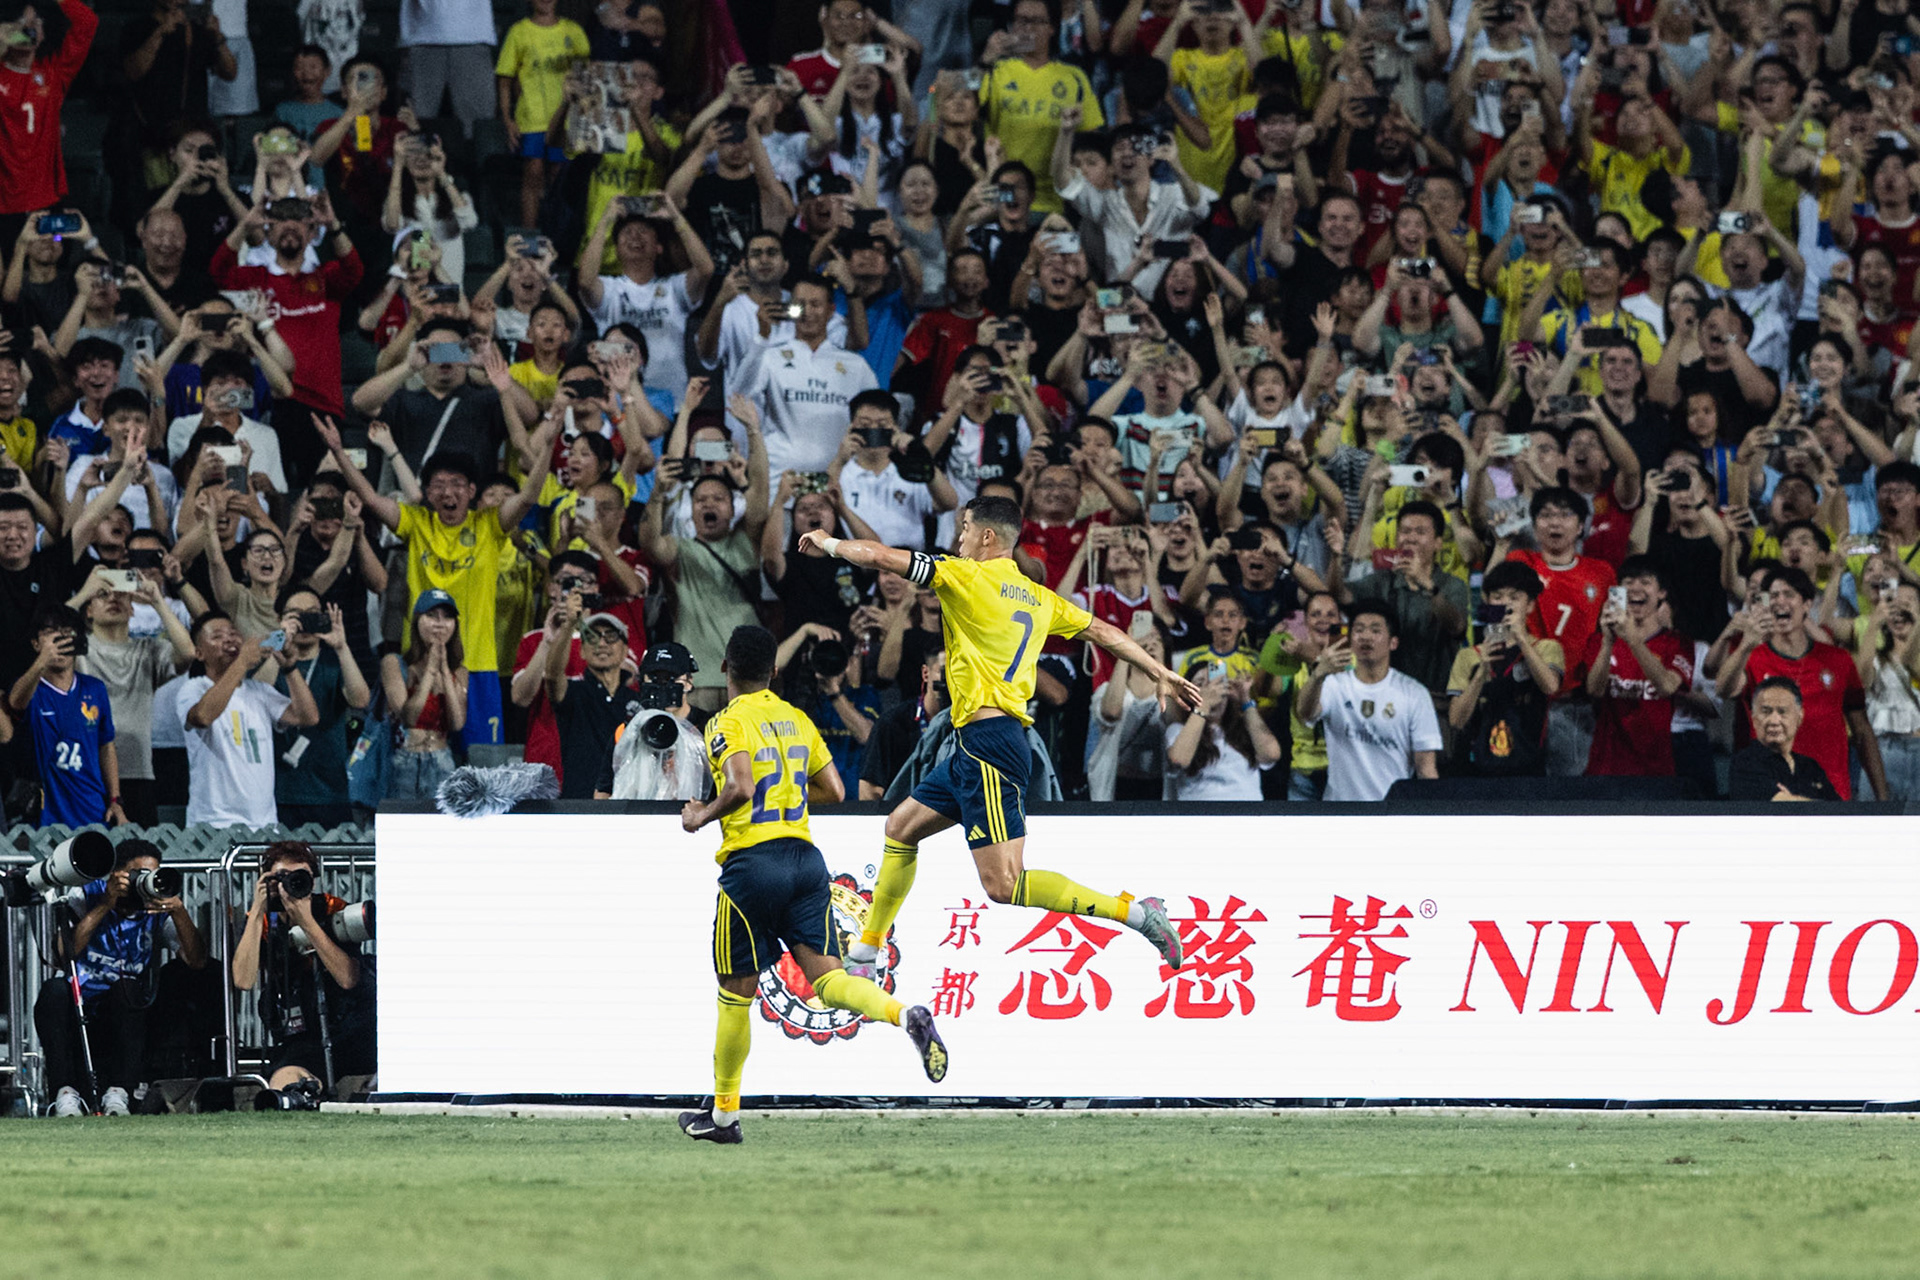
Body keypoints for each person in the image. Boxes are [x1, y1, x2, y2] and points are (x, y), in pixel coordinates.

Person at [801, 494, 1199, 981]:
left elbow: (883, 556)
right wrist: (1159, 670)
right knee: (900, 828)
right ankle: (865, 954)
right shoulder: (1038, 595)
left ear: (987, 536)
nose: (960, 538)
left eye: (965, 528)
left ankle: (1136, 913)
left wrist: (829, 540)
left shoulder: (963, 574)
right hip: (980, 740)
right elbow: (1103, 632)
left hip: (989, 743)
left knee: (1005, 885)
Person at [676, 624, 946, 1143]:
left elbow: (738, 785)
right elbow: (836, 788)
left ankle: (724, 1117)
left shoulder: (725, 722)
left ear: (725, 669)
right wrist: (789, 802)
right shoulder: (795, 718)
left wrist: (701, 816)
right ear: (774, 672)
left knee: (736, 995)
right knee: (828, 982)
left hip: (752, 865)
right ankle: (902, 1012)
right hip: (805, 860)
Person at [312, 414, 554, 748]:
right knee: (425, 757)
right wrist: (338, 451)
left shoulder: (489, 525)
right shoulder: (417, 522)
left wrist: (550, 444)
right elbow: (369, 498)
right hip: (421, 665)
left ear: (471, 491)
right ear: (427, 492)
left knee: (481, 769)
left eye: (457, 485)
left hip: (479, 665)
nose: (448, 492)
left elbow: (527, 497)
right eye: (439, 486)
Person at [35, 839, 204, 1117]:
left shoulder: (156, 906)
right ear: (117, 875)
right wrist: (106, 904)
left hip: (127, 1005)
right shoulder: (88, 894)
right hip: (81, 1001)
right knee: (53, 990)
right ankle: (64, 1094)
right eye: (140, 875)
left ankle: (120, 1092)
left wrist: (179, 910)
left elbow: (196, 960)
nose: (146, 883)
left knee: (129, 988)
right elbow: (65, 955)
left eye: (153, 874)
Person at [1715, 565, 1888, 802]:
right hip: (1773, 794)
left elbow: (1862, 731)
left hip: (1830, 793)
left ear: (1807, 605)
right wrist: (1746, 645)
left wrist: (1882, 795)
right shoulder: (1754, 657)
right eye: (1774, 596)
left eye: (1789, 595)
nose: (1780, 602)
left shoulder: (1838, 660)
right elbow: (1723, 689)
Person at [229, 841, 375, 1094]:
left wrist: (306, 921)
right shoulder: (262, 921)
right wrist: (257, 910)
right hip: (301, 1033)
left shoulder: (333, 909)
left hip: (350, 1025)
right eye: (281, 878)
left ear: (313, 881)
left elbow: (349, 979)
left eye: (299, 877)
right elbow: (243, 980)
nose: (289, 885)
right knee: (284, 1080)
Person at [70, 566, 194, 827]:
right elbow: (46, 633)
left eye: (121, 595)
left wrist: (158, 601)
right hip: (86, 769)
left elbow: (187, 653)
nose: (113, 599)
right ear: (89, 610)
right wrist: (83, 593)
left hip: (138, 770)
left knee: (141, 861)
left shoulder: (148, 650)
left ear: (133, 608)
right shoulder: (78, 650)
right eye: (102, 594)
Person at [182, 611, 321, 828]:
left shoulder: (260, 691)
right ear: (199, 653)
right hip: (213, 823)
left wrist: (290, 667)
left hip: (264, 824)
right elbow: (202, 716)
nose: (228, 639)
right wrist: (243, 662)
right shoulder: (194, 687)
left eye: (233, 633)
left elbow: (308, 717)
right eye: (217, 636)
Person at [1295, 601, 1443, 802]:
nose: (1365, 636)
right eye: (1359, 630)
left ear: (1393, 643)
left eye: (1375, 630)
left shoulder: (1414, 694)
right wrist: (1319, 673)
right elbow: (1305, 714)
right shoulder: (1334, 685)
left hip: (1391, 812)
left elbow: (1425, 768)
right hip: (1341, 812)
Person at [1446, 560, 1562, 778]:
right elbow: (1456, 720)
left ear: (1530, 605)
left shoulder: (1546, 648)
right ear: (1488, 602)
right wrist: (1481, 673)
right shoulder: (1469, 656)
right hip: (1477, 769)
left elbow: (1550, 687)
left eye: (1514, 597)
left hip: (1529, 769)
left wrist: (1521, 640)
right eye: (1497, 597)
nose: (1505, 604)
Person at [7, 604, 120, 827]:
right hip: (44, 814)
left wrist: (115, 800)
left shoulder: (94, 689)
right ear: (35, 643)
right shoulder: (30, 688)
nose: (59, 641)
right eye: (50, 634)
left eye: (67, 633)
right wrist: (42, 661)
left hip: (91, 810)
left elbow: (106, 746)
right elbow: (16, 703)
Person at [1582, 557, 1692, 778]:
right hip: (1605, 767)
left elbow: (1667, 687)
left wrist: (1633, 639)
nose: (1636, 588)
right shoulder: (1599, 640)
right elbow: (1594, 690)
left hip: (1654, 770)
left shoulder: (1678, 644)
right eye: (1629, 581)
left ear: (1662, 592)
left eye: (1645, 582)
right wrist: (1608, 642)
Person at [270, 588, 370, 827]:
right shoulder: (269, 662)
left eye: (312, 615)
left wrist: (341, 647)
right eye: (295, 615)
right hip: (276, 792)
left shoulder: (334, 663)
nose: (304, 622)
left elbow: (361, 700)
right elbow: (256, 684)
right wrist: (278, 640)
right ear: (279, 619)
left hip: (329, 791)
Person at [545, 605, 645, 801]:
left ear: (625, 650)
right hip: (578, 805)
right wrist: (569, 626)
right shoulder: (573, 693)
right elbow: (552, 675)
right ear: (581, 651)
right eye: (592, 637)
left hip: (627, 806)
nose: (601, 643)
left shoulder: (638, 703)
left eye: (611, 636)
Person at [381, 589, 469, 800]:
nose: (440, 623)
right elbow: (409, 718)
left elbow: (457, 723)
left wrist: (446, 673)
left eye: (447, 617)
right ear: (417, 621)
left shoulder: (460, 672)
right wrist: (429, 672)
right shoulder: (394, 663)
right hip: (404, 759)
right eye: (431, 616)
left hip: (442, 760)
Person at [1726, 676, 1840, 801]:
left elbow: (1838, 813)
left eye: (1782, 711)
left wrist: (1793, 800)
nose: (1774, 721)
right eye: (1766, 711)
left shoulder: (1810, 767)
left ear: (1799, 717)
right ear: (1754, 718)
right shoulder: (1746, 762)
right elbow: (1782, 807)